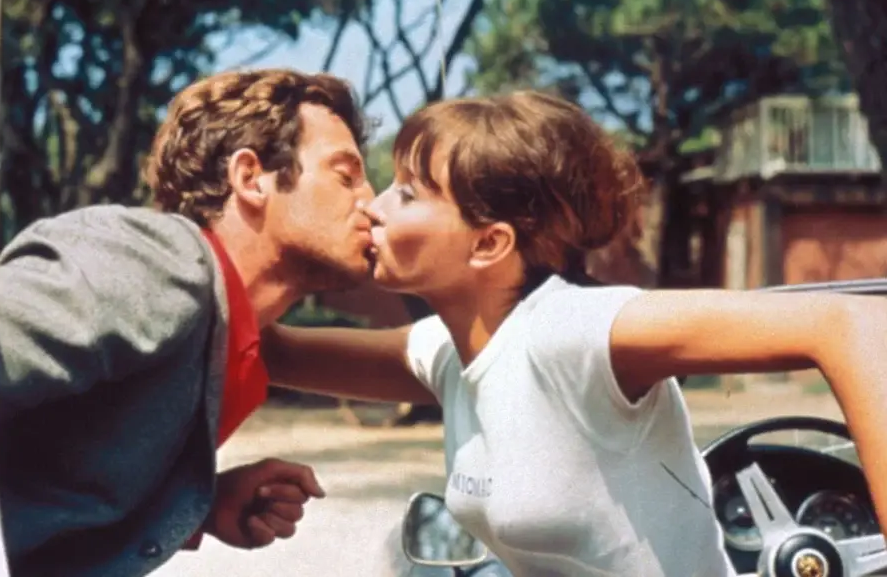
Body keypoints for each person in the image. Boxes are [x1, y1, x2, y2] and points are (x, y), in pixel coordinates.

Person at [261, 91, 887, 576]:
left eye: (408, 191)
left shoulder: (573, 331)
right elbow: (269, 351)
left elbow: (849, 321)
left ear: (489, 242)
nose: (373, 206)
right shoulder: (447, 354)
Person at [0, 68, 376, 576]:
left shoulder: (225, 332)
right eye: (346, 175)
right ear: (251, 178)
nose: (372, 201)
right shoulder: (159, 266)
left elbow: (40, 482)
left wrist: (198, 507)